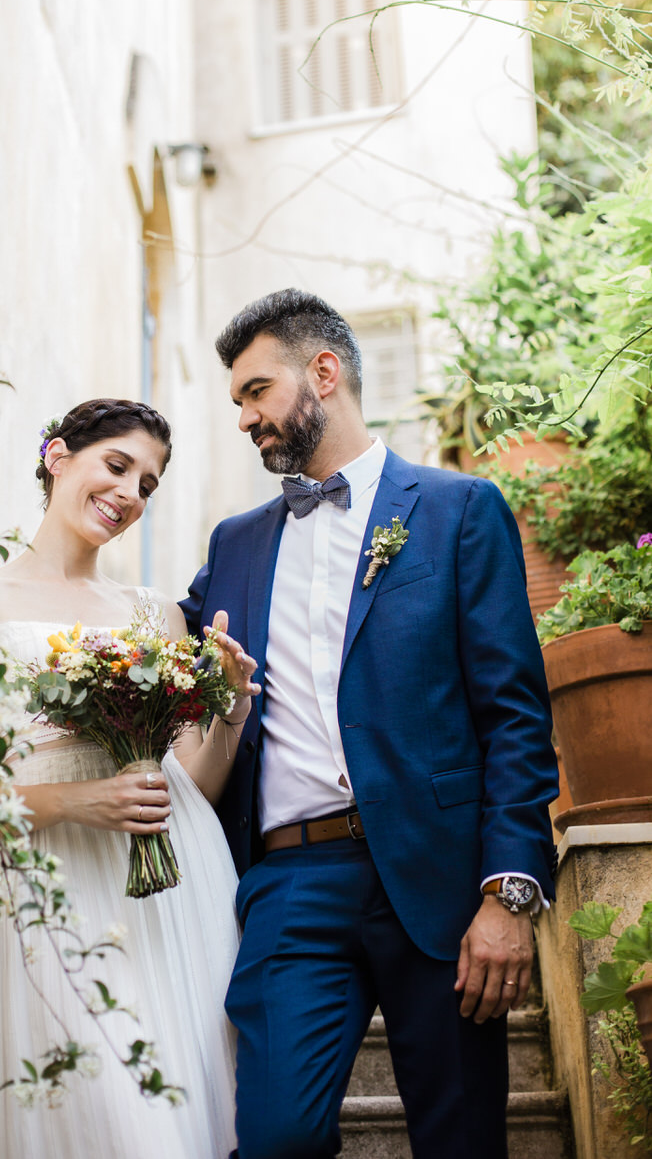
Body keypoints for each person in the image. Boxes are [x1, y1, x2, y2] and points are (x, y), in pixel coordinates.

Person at [180, 290, 559, 1159]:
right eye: (237, 399)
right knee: (275, 1138)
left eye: (255, 391)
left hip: (440, 879)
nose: (243, 417)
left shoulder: (459, 510)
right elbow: (151, 657)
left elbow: (513, 716)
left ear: (325, 372)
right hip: (289, 884)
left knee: (462, 1141)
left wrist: (508, 893)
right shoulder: (233, 545)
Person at [0, 398, 258, 1159]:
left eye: (148, 483)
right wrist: (80, 800)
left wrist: (232, 709)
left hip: (177, 886)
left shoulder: (156, 614)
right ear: (57, 457)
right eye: (116, 466)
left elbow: (191, 784)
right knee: (116, 1119)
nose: (130, 493)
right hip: (58, 887)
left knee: (188, 1113)